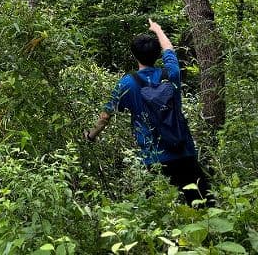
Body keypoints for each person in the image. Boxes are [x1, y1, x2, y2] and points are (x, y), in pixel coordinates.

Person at [84, 19, 212, 206]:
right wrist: (158, 29)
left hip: (154, 157)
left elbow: (105, 117)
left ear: (134, 56)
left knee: (161, 210)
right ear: (157, 54)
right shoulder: (171, 74)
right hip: (184, 151)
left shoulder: (127, 84)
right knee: (203, 204)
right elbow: (169, 50)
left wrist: (91, 136)